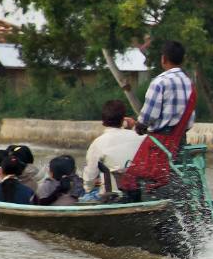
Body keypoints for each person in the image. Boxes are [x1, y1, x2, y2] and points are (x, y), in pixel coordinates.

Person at [118, 41, 196, 197]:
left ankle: (142, 201)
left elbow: (148, 116)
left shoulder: (160, 82)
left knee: (132, 177)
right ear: (182, 60)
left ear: (164, 59)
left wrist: (138, 125)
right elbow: (189, 121)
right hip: (180, 140)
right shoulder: (190, 83)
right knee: (175, 173)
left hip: (160, 142)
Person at [83, 99, 144, 196]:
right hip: (138, 193)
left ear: (103, 121)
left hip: (112, 196)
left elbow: (90, 176)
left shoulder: (98, 143)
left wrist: (87, 188)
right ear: (123, 119)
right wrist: (134, 124)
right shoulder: (139, 138)